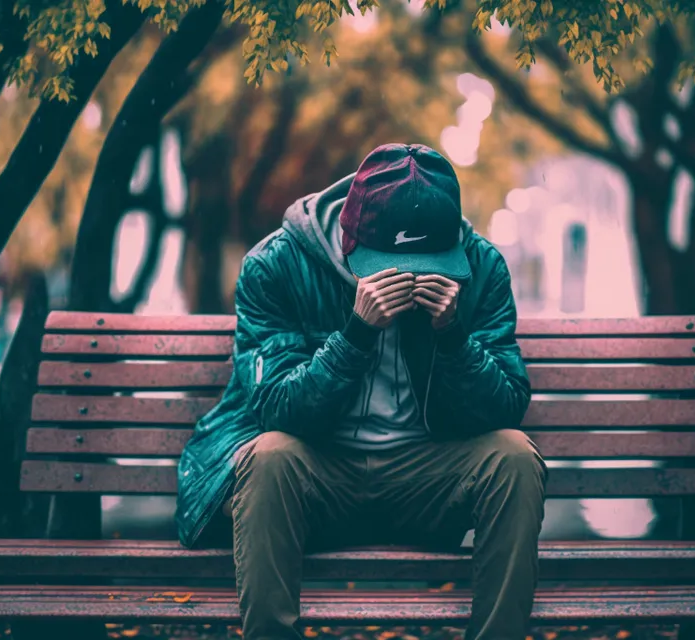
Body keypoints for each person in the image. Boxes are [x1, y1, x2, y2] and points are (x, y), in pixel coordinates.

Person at [176, 143, 548, 640]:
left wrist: (453, 337)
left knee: (514, 457)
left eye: (426, 259)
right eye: (390, 261)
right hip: (319, 474)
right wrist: (355, 335)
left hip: (425, 477)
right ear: (350, 236)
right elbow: (276, 410)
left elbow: (506, 406)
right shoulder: (278, 264)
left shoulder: (479, 268)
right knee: (268, 457)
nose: (409, 273)